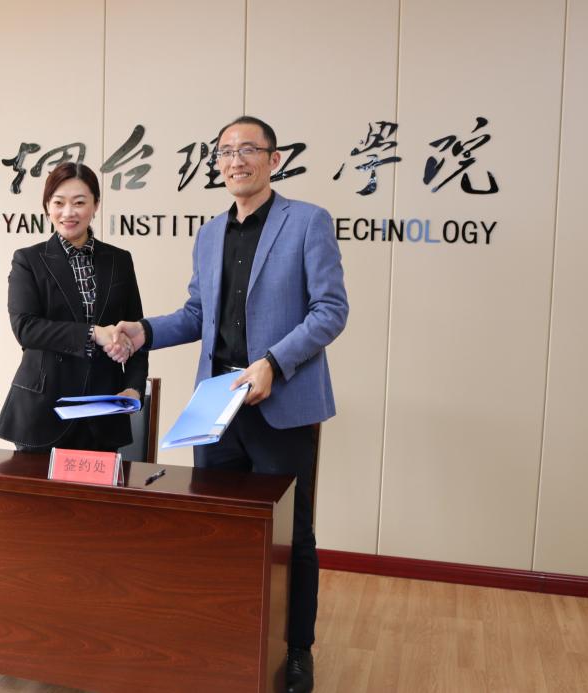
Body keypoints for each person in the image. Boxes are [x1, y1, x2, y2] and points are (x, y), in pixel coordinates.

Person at [109, 116, 347, 692]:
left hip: (280, 403)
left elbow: (330, 310)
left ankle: (296, 650)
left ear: (274, 159)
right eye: (225, 152)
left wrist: (273, 362)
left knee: (293, 535)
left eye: (248, 150)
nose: (235, 161)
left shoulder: (307, 221)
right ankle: (226, 639)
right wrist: (143, 331)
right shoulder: (210, 233)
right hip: (216, 407)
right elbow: (197, 314)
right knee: (217, 531)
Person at [0, 162, 148, 453]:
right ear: (47, 207)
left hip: (103, 413)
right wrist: (93, 333)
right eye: (59, 203)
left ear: (95, 205)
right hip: (42, 412)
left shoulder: (119, 261)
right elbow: (26, 328)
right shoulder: (28, 260)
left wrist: (133, 387)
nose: (68, 212)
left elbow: (136, 334)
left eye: (79, 202)